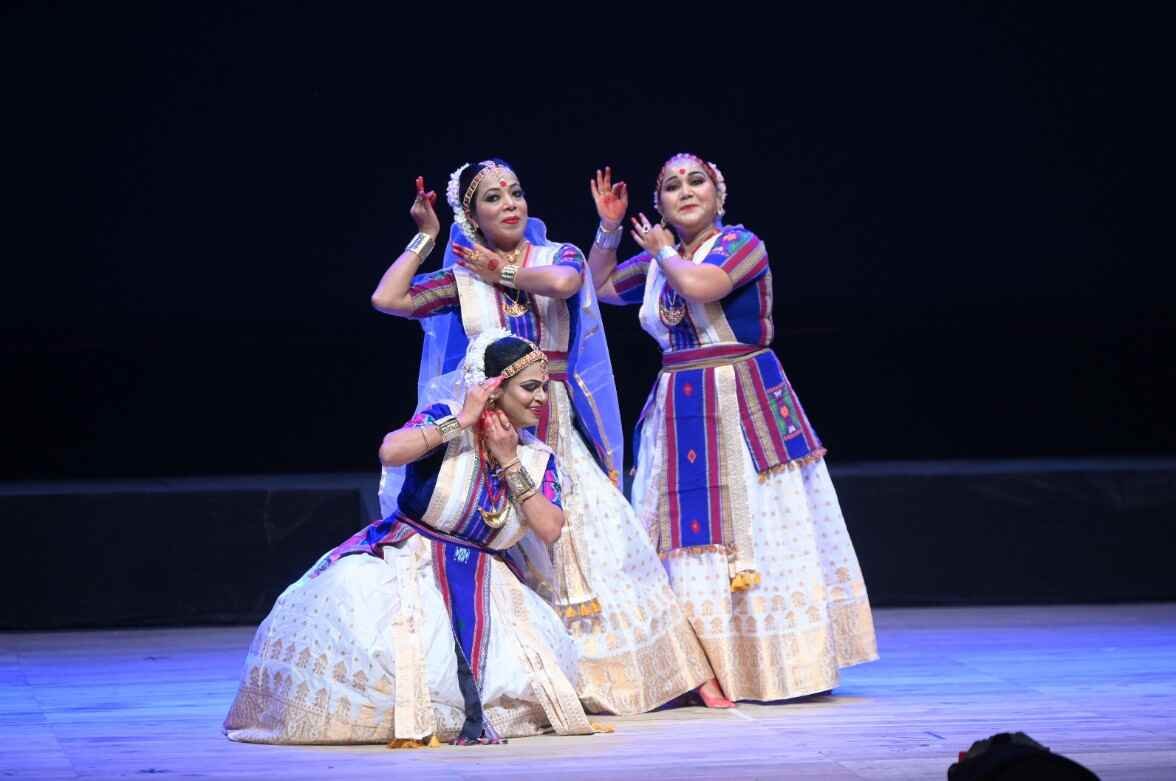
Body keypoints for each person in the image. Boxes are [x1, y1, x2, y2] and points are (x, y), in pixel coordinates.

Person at [369, 161, 719, 712]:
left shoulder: (558, 255)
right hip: (491, 431)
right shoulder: (463, 278)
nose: (509, 203)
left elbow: (566, 284)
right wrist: (426, 237)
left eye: (516, 192)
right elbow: (388, 299)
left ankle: (675, 675)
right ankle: (548, 679)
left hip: (556, 419)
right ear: (473, 216)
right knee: (511, 542)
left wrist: (501, 271)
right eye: (493, 198)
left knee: (606, 537)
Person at [585, 155, 879, 702]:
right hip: (679, 404)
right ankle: (698, 667)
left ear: (718, 196)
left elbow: (703, 285)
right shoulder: (657, 260)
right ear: (660, 205)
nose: (685, 191)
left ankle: (779, 664)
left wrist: (663, 252)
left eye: (696, 181)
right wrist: (608, 230)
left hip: (743, 400)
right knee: (674, 531)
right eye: (671, 186)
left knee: (760, 522)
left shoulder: (741, 245)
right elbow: (598, 285)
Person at [223, 331, 599, 746]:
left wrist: (510, 460)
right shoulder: (446, 420)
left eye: (543, 387)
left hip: (483, 577)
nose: (542, 397)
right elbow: (391, 451)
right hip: (411, 558)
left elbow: (550, 528)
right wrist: (463, 420)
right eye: (530, 387)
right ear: (493, 387)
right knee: (378, 629)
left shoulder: (536, 458)